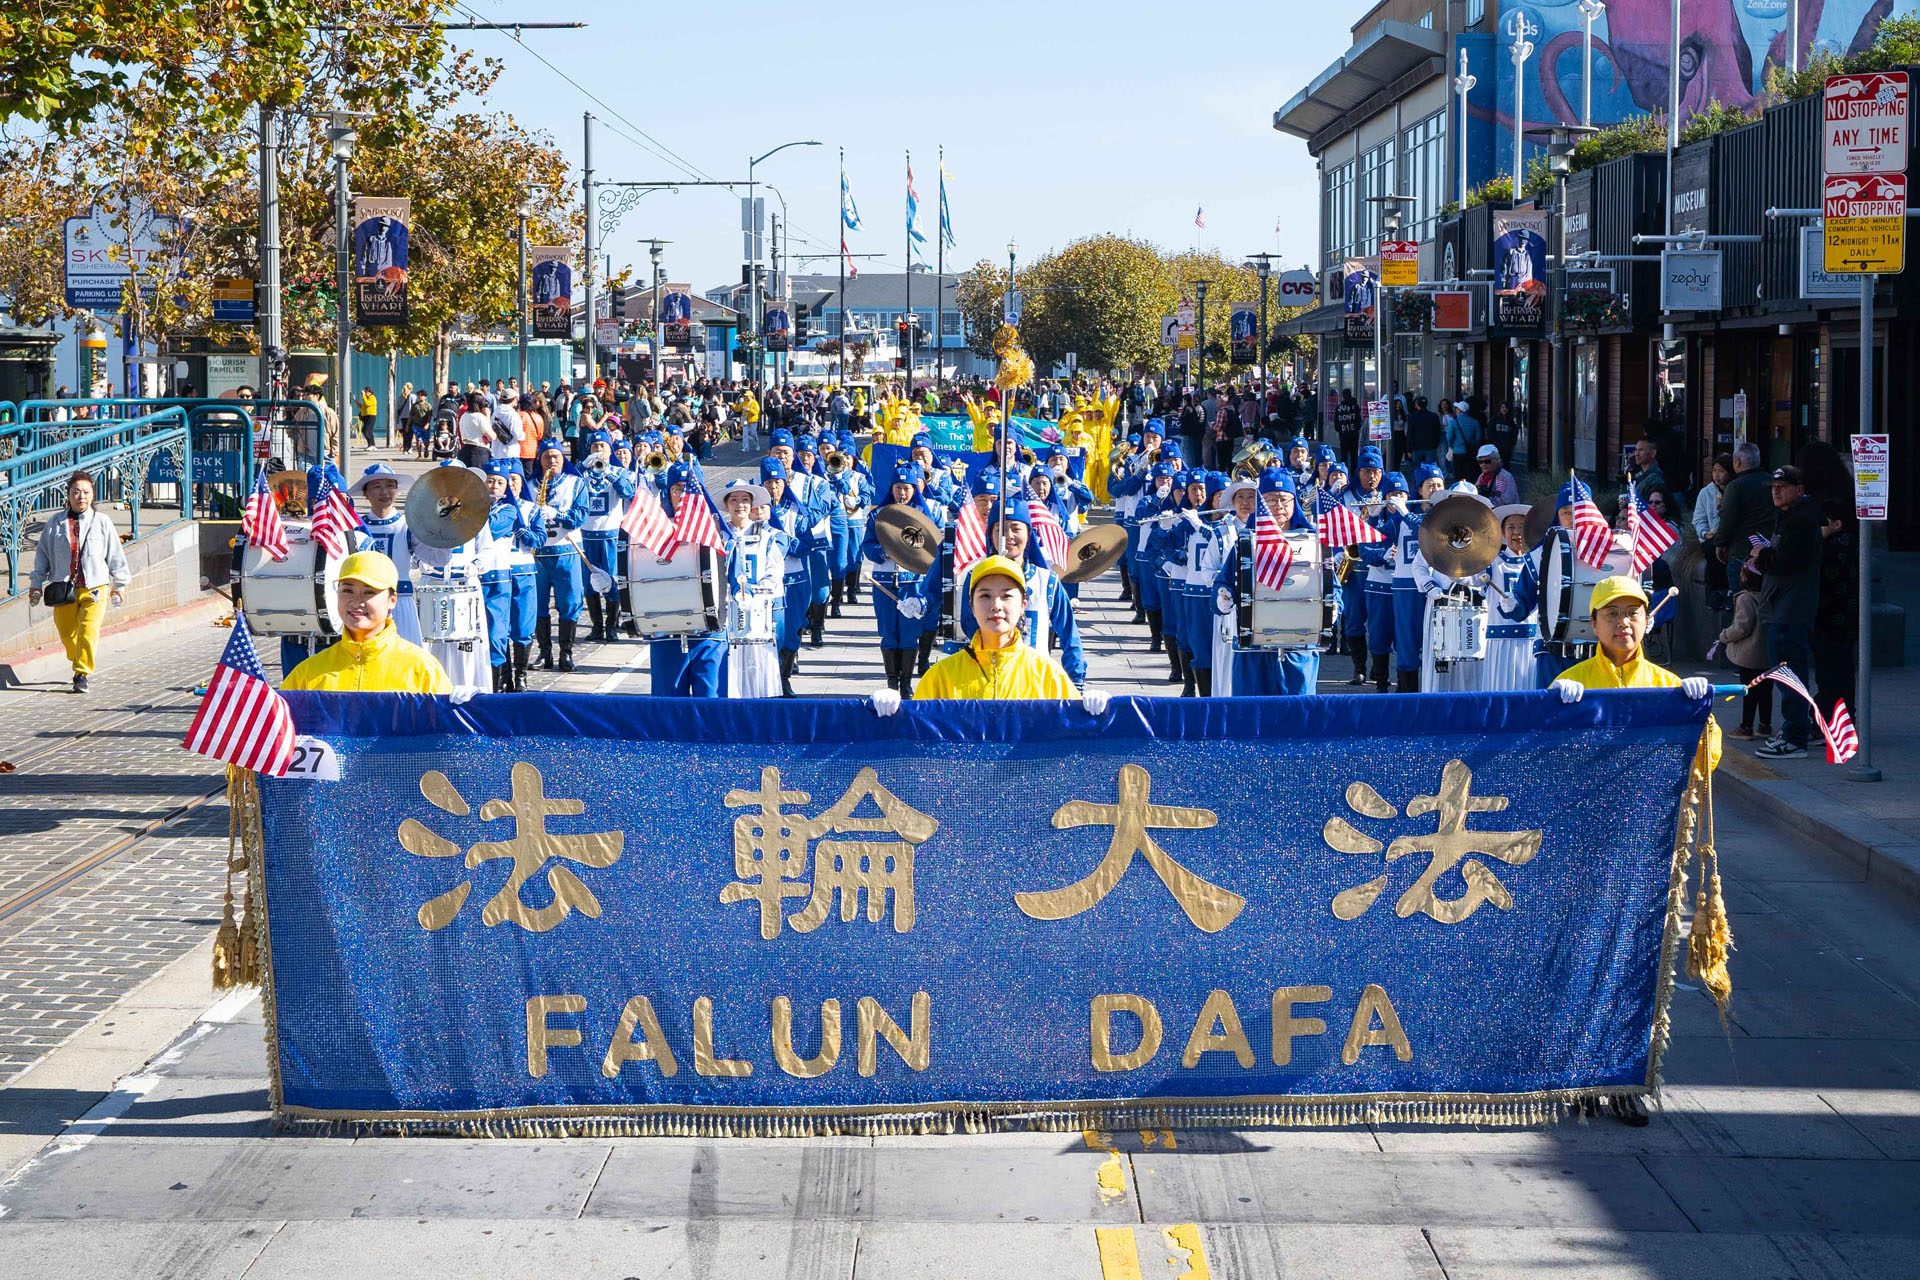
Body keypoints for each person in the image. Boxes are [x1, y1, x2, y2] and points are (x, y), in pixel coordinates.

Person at [885, 555, 1092, 703]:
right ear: (971, 606)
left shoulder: (1048, 675)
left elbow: (1073, 737)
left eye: (1007, 595)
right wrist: (889, 718)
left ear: (1023, 605)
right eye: (985, 596)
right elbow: (917, 740)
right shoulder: (940, 677)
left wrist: (1096, 715)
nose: (996, 605)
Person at [282, 551, 451, 693]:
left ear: (392, 600)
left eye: (369, 592)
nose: (356, 602)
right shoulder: (307, 674)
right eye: (348, 590)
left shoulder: (422, 671)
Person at [29, 470, 131, 693]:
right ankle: (78, 659)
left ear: (93, 494)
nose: (81, 496)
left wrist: (119, 585)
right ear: (68, 495)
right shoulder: (55, 523)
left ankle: (81, 673)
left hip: (95, 586)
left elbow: (115, 555)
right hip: (63, 587)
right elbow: (42, 554)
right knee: (67, 633)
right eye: (76, 492)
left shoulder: (102, 522)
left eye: (86, 492)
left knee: (88, 630)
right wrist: (36, 583)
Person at [1751, 465, 1825, 759]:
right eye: (1773, 487)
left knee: (1789, 671)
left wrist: (1762, 555)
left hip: (1790, 608)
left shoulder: (1802, 520)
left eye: (1782, 486)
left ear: (1799, 489)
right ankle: (1794, 729)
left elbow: (1786, 562)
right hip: (1783, 604)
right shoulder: (1791, 517)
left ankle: (1795, 737)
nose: (1776, 491)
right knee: (1786, 670)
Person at [1716, 564, 1773, 742]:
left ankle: (1746, 727)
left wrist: (1724, 635)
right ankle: (1765, 725)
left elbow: (1742, 627)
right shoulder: (1769, 596)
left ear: (1746, 578)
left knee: (1748, 691)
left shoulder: (1745, 599)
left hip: (1749, 654)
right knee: (1766, 691)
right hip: (1767, 652)